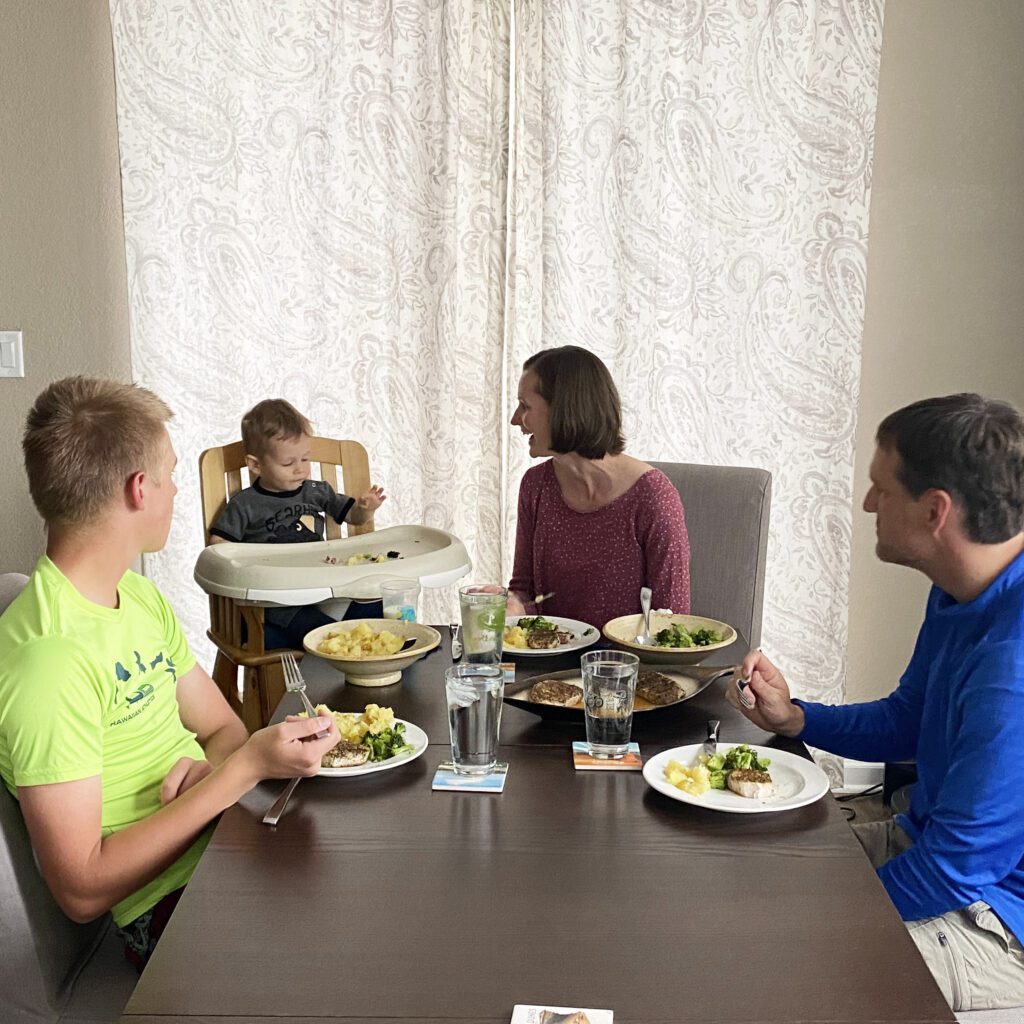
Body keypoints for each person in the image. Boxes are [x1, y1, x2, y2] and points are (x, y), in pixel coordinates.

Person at [0, 377, 341, 969]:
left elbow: (224, 731)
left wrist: (217, 769)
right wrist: (236, 775)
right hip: (168, 910)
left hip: (226, 844)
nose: (178, 490)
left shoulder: (135, 596)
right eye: (172, 474)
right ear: (139, 489)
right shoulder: (47, 659)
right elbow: (81, 890)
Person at [726, 393, 1024, 1013]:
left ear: (936, 510)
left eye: (880, 490)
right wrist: (797, 717)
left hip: (997, 917)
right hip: (931, 849)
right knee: (734, 869)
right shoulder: (963, 592)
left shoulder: (1012, 662)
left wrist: (824, 922)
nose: (866, 504)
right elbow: (909, 721)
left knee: (772, 972)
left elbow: (956, 868)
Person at [508, 345, 690, 626]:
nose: (515, 419)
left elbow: (673, 622)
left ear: (563, 408)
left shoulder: (653, 497)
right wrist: (513, 606)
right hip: (549, 666)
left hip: (630, 668)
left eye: (526, 406)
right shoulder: (535, 486)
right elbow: (525, 592)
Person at [209, 398, 387, 647]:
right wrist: (245, 567)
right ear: (256, 465)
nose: (300, 469)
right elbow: (218, 547)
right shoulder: (245, 504)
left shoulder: (317, 491)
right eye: (288, 463)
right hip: (279, 598)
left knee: (376, 605)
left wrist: (364, 509)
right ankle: (338, 660)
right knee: (321, 632)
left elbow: (352, 517)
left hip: (323, 585)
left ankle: (368, 666)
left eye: (305, 459)